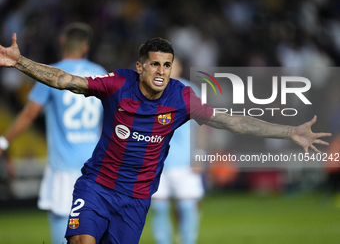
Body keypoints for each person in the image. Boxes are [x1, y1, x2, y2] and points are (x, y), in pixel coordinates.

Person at [0, 34, 331, 244]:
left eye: (167, 65)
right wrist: (20, 63)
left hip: (136, 197)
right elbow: (64, 80)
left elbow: (234, 122)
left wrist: (289, 131)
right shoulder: (117, 85)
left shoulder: (182, 98)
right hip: (97, 185)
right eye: (155, 64)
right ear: (140, 67)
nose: (162, 71)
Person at [0, 23, 106, 244]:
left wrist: (3, 142)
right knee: (93, 228)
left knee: (62, 225)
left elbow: (29, 115)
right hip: (95, 167)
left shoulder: (50, 74)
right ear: (86, 47)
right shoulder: (100, 73)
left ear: (62, 42)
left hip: (63, 167)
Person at [151, 58, 204, 244]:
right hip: (156, 162)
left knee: (188, 206)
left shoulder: (190, 91)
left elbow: (202, 126)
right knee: (159, 207)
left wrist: (199, 154)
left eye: (171, 66)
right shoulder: (148, 91)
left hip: (185, 161)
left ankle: (187, 241)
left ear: (179, 68)